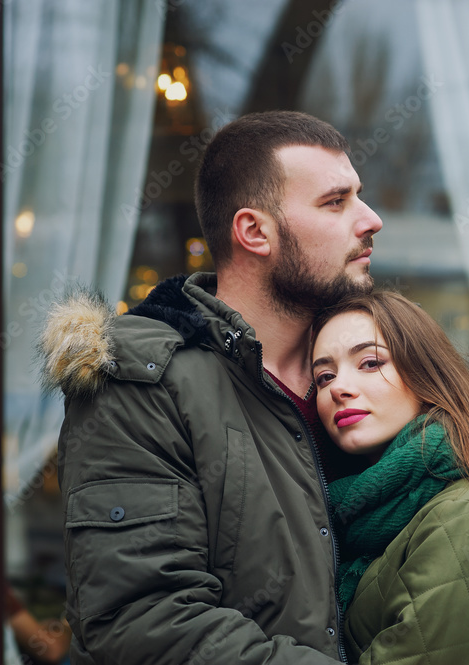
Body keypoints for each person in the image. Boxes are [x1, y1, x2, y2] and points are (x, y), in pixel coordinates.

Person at [40, 110, 382, 663]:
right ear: (253, 232)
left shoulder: (374, 371)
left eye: (359, 196)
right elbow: (143, 617)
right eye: (335, 202)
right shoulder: (141, 381)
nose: (371, 220)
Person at [309, 291, 469, 664]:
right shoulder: (361, 513)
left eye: (369, 362)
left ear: (424, 373)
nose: (338, 388)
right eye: (324, 376)